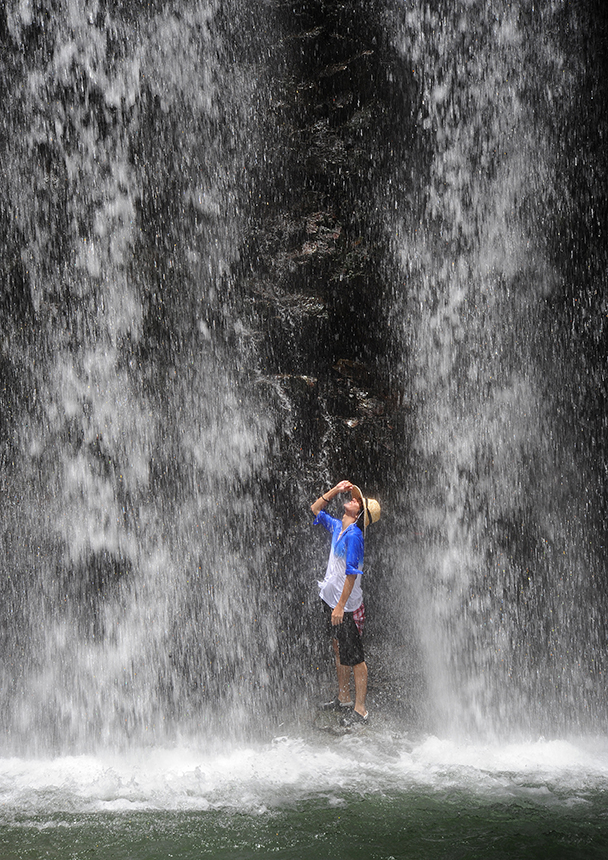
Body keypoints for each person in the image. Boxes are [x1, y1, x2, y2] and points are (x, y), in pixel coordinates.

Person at [310, 480, 381, 724]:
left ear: (359, 513)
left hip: (346, 607)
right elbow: (316, 509)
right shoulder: (340, 526)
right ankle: (343, 698)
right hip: (331, 601)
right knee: (338, 647)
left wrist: (340, 606)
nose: (351, 498)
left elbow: (351, 574)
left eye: (355, 500)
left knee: (356, 658)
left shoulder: (354, 536)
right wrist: (335, 490)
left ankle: (360, 710)